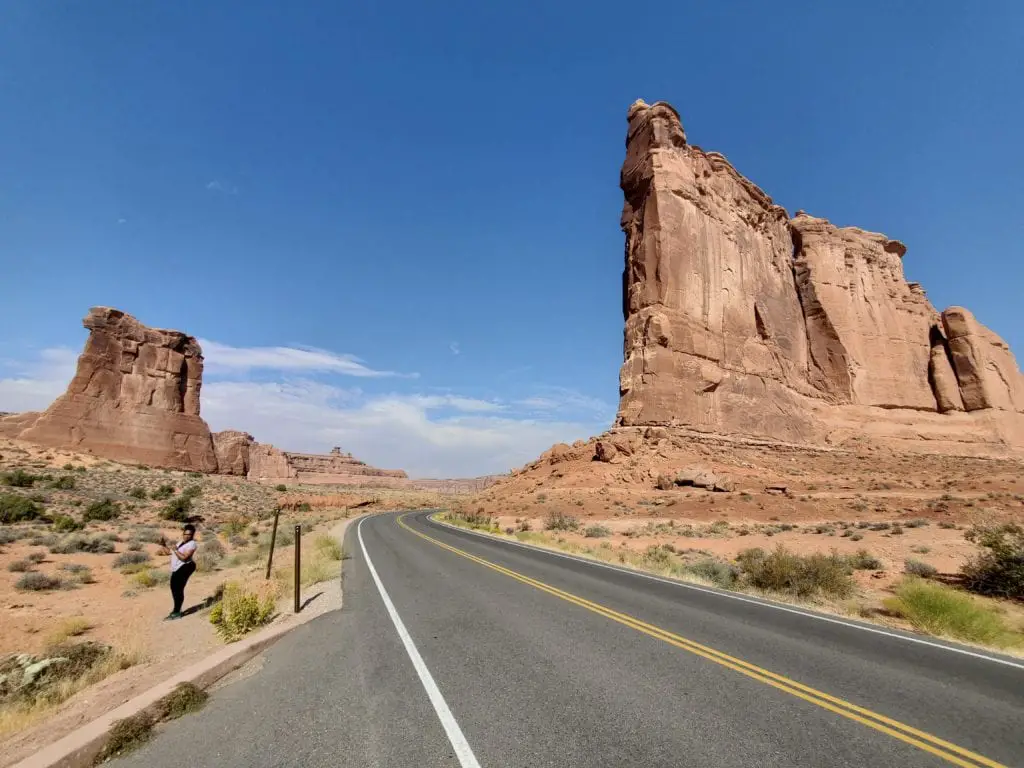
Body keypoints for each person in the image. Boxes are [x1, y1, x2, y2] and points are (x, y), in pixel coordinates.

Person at [161, 524, 198, 620]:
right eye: (185, 534)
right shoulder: (181, 542)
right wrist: (163, 545)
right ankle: (177, 609)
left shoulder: (192, 544)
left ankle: (177, 612)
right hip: (177, 568)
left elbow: (185, 558)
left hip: (186, 566)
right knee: (174, 588)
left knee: (178, 589)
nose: (186, 536)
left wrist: (176, 550)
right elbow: (170, 552)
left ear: (192, 535)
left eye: (189, 534)